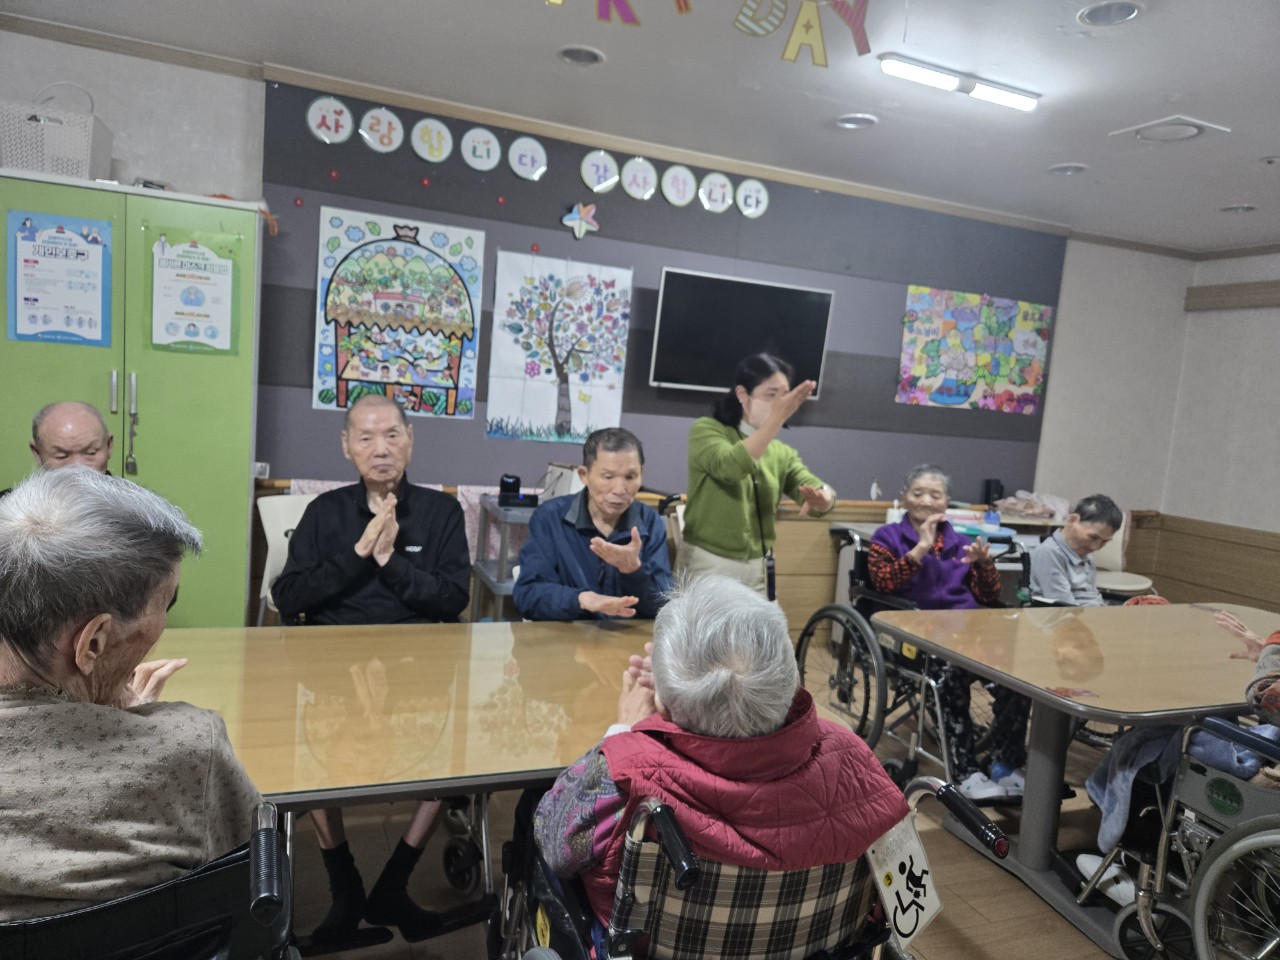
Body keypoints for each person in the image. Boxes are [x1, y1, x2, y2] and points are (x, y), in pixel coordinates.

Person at [533, 575, 908, 925]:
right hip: (818, 942)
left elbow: (555, 846)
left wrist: (621, 732)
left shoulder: (625, 778)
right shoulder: (854, 757)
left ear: (664, 706)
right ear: (790, 679)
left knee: (526, 813)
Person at [0, 467, 259, 920]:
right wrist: (137, 726)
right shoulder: (188, 747)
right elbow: (252, 877)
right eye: (168, 603)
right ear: (92, 643)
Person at [271, 394, 470, 945]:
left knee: (452, 756)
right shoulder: (325, 511)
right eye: (366, 437)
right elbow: (289, 595)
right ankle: (344, 886)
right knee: (307, 755)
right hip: (332, 659)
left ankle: (396, 882)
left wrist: (390, 561)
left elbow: (452, 598)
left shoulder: (442, 512)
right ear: (347, 446)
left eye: (392, 435)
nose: (380, 449)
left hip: (418, 662)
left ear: (410, 440)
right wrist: (359, 553)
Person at [868, 464, 1030, 801]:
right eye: (918, 493)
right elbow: (882, 583)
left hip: (967, 632)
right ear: (904, 497)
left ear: (946, 502)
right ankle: (964, 771)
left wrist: (985, 565)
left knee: (1018, 678)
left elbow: (987, 595)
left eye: (935, 495)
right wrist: (920, 549)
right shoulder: (887, 537)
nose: (926, 501)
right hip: (914, 633)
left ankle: (1003, 762)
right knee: (951, 674)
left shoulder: (961, 542)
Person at [680, 353, 835, 596]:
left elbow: (811, 486)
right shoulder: (707, 430)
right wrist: (777, 418)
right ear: (743, 395)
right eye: (771, 395)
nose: (781, 404)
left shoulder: (781, 452)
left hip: (759, 565)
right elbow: (730, 467)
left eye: (785, 396)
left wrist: (824, 498)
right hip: (710, 562)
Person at [515, 427, 674, 620]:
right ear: (584, 475)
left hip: (628, 635)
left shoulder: (650, 522)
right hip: (569, 634)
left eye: (630, 477)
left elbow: (665, 606)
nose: (619, 489)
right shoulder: (549, 518)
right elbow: (528, 595)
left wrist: (634, 570)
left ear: (641, 473)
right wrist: (580, 599)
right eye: (608, 477)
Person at [1029, 494, 1123, 605]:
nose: (1096, 547)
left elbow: (1091, 596)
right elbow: (1064, 606)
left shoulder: (1084, 552)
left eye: (1104, 541)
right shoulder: (1048, 553)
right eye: (1093, 537)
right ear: (1072, 520)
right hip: (1068, 614)